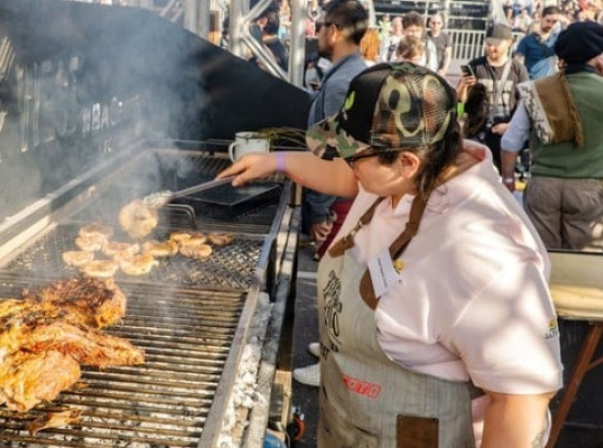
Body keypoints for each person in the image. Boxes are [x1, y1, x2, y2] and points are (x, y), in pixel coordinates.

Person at [219, 62, 562, 447]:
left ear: (406, 162)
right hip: (352, 426)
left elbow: (523, 401)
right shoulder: (404, 174)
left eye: (352, 155)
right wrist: (275, 162)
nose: (345, 164)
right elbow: (347, 178)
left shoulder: (483, 254)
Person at [295, 0, 369, 388]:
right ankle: (329, 348)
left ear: (335, 32)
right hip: (342, 199)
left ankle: (333, 368)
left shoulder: (343, 81)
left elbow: (335, 150)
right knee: (335, 280)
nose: (317, 32)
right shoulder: (350, 72)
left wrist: (320, 211)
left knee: (336, 284)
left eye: (321, 25)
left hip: (340, 200)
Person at [501, 21, 603, 251]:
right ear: (596, 55)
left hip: (542, 187)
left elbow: (510, 141)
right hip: (589, 189)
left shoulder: (537, 90)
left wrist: (508, 179)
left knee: (544, 257)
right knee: (584, 261)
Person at [457, 23, 529, 173]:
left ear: (509, 43)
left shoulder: (518, 70)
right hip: (477, 132)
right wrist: (462, 89)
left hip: (503, 133)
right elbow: (461, 106)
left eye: (496, 45)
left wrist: (510, 126)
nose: (491, 48)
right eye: (488, 44)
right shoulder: (476, 66)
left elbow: (525, 103)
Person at [514, 6, 563, 79]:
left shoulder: (558, 41)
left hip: (551, 84)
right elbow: (518, 66)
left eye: (554, 22)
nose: (550, 25)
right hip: (532, 84)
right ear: (541, 18)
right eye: (548, 21)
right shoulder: (527, 41)